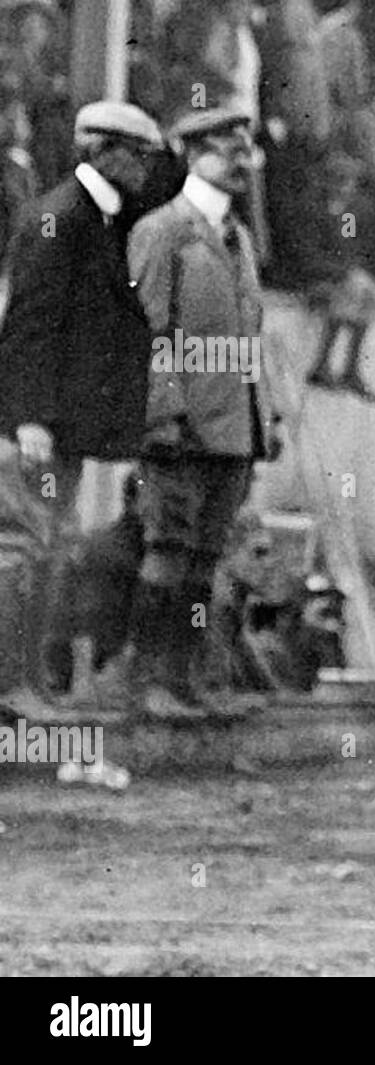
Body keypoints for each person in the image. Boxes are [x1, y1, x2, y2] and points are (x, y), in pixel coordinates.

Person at [0, 100, 164, 719]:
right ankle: (11, 689)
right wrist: (30, 418)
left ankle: (30, 686)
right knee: (22, 548)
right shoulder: (58, 218)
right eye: (138, 154)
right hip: (38, 428)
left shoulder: (99, 218)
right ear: (103, 151)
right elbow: (29, 325)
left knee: (45, 550)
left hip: (59, 427)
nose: (147, 167)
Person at [126, 107, 279, 720]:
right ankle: (147, 681)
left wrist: (263, 420)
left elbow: (250, 338)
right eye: (227, 151)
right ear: (192, 155)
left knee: (205, 564)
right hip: (182, 429)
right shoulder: (163, 231)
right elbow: (149, 333)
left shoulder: (238, 239)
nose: (242, 162)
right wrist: (162, 420)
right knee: (167, 553)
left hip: (232, 431)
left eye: (247, 151)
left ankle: (186, 680)